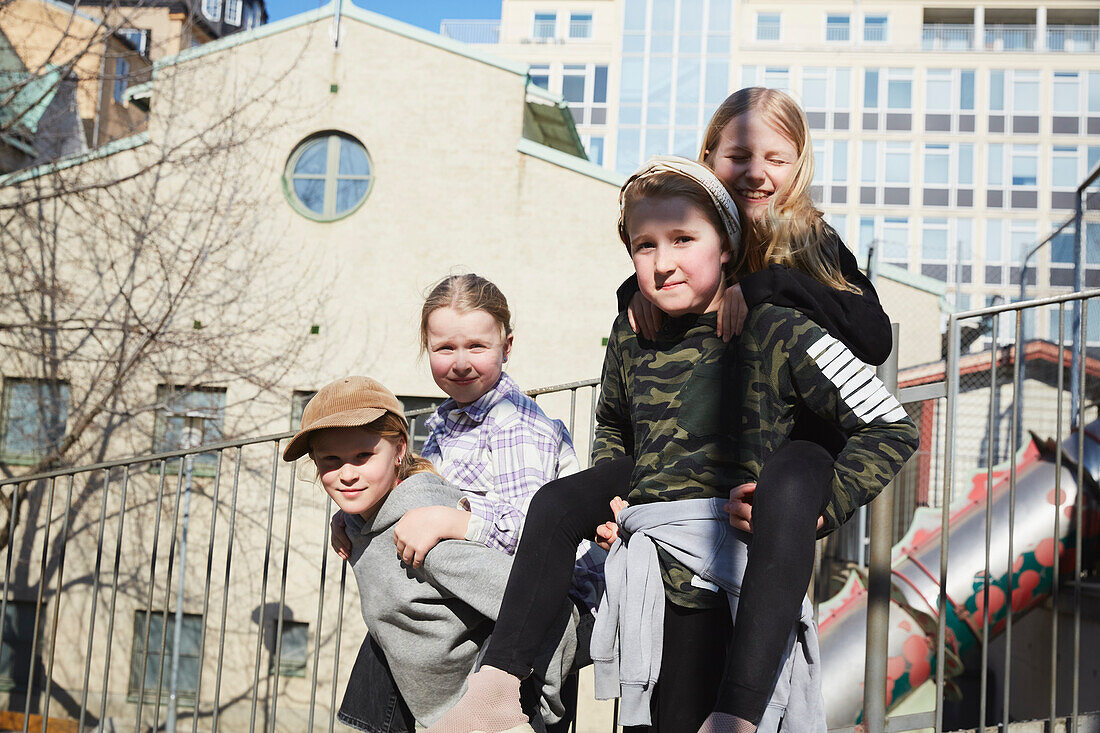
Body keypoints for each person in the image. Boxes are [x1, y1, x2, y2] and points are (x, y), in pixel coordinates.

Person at [428, 103, 917, 733]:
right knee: (556, 507)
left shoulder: (800, 269)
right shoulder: (636, 325)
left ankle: (740, 714)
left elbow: (882, 388)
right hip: (660, 507)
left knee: (786, 497)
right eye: (645, 248)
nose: (664, 261)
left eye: (684, 240)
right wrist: (612, 496)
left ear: (725, 243)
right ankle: (493, 695)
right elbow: (612, 423)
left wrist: (831, 499)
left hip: (777, 466)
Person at [327, 274, 602, 732]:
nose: (459, 363)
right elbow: (409, 489)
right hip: (481, 596)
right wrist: (349, 515)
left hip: (533, 611)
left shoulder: (514, 425)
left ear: (506, 345)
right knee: (390, 623)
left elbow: (535, 532)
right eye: (444, 349)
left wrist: (450, 519)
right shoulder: (448, 424)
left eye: (477, 346)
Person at [284, 376, 581, 730]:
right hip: (424, 712)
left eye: (363, 456)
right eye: (330, 460)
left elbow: (540, 603)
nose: (347, 474)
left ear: (399, 451)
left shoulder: (424, 535)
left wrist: (548, 702)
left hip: (482, 718)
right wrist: (347, 521)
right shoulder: (361, 521)